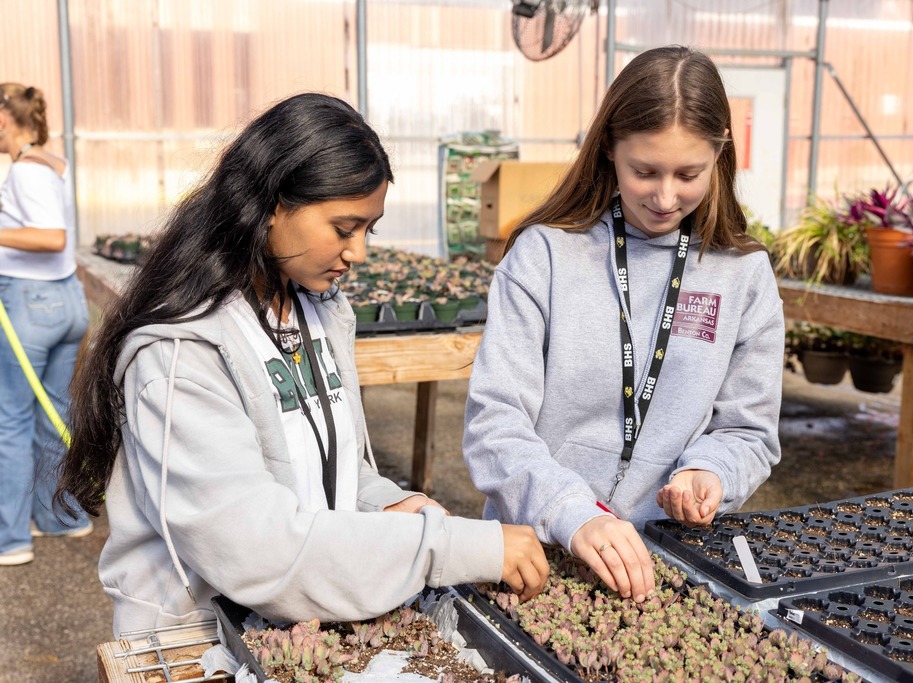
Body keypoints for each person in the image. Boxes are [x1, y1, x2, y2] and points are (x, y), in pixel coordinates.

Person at [54, 93, 548, 636]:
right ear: (269, 205)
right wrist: (448, 547)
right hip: (196, 640)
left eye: (369, 229)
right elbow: (257, 549)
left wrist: (395, 504)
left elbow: (333, 471)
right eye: (343, 228)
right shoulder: (180, 356)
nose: (358, 252)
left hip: (292, 627)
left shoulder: (316, 313)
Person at [462, 46, 783, 604]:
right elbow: (496, 424)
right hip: (537, 553)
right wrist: (573, 513)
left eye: (689, 174)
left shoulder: (743, 274)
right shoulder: (545, 256)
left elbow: (748, 429)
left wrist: (712, 472)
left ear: (721, 151)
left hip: (665, 562)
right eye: (644, 171)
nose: (664, 197)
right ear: (609, 148)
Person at [0, 83, 93, 567]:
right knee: (53, 415)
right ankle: (60, 517)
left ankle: (9, 540)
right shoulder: (52, 163)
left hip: (30, 305)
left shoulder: (24, 172)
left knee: (9, 421)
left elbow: (52, 237)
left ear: (3, 120)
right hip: (67, 302)